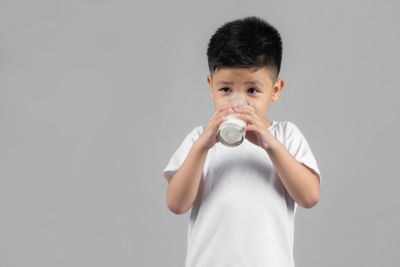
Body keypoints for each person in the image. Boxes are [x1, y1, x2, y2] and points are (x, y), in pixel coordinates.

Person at [162, 16, 321, 267]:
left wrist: (270, 145)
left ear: (275, 90)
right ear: (211, 86)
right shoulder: (199, 139)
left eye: (252, 90)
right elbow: (176, 204)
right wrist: (203, 145)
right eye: (225, 90)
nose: (237, 102)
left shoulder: (285, 136)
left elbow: (310, 196)